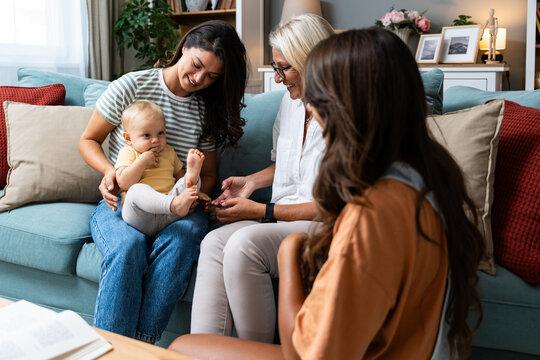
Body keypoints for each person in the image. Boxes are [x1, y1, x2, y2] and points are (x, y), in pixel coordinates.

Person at [169, 28, 485, 359]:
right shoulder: (422, 180)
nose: (313, 111)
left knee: (181, 348)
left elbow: (309, 351)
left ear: (348, 104)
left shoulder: (370, 215)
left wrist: (290, 254)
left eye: (318, 98)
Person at [78, 20, 247, 343]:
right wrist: (109, 173)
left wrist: (191, 193)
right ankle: (112, 348)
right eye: (197, 65)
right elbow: (88, 140)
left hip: (177, 205)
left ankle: (142, 346)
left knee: (184, 236)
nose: (199, 79)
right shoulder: (132, 86)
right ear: (184, 47)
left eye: (212, 76)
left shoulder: (205, 109)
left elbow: (208, 174)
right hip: (125, 199)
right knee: (128, 246)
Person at [189, 13, 334, 343]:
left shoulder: (346, 111)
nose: (280, 78)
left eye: (285, 68)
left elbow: (335, 204)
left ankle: (259, 353)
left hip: (322, 224)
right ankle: (202, 352)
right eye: (276, 68)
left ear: (312, 60)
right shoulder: (290, 103)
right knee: (212, 242)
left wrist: (261, 211)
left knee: (243, 245)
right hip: (281, 219)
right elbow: (283, 164)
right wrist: (251, 182)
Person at [115, 100, 205, 237]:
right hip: (140, 217)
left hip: (168, 215)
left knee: (189, 180)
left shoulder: (168, 152)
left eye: (160, 133)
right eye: (147, 135)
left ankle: (190, 180)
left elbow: (179, 178)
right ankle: (174, 204)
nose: (156, 140)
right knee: (135, 190)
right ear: (128, 138)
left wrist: (194, 193)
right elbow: (123, 183)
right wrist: (143, 161)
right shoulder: (129, 152)